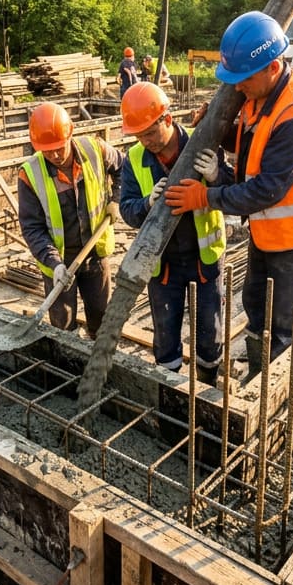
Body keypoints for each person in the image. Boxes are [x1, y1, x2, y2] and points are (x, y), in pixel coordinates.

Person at [165, 10, 293, 379]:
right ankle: (261, 374)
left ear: (273, 68)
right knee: (257, 307)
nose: (238, 86)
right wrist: (220, 130)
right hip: (268, 232)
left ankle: (281, 395)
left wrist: (206, 197)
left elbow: (267, 189)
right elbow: (253, 143)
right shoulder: (259, 96)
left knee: (288, 325)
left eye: (244, 79)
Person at [118, 82, 229, 385]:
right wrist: (147, 204)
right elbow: (126, 209)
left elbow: (235, 188)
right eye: (139, 135)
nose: (146, 141)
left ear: (167, 119)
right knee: (165, 334)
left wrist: (217, 175)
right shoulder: (135, 160)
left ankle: (208, 385)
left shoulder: (202, 142)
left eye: (150, 133)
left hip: (204, 259)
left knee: (210, 332)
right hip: (164, 265)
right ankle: (170, 392)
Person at [17, 102, 123, 338]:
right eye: (47, 150)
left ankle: (99, 358)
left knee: (101, 316)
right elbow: (32, 228)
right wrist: (55, 264)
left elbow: (124, 169)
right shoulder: (30, 175)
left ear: (71, 132)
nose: (54, 155)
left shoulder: (95, 149)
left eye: (58, 147)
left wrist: (116, 198)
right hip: (59, 262)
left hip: (95, 252)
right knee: (62, 326)